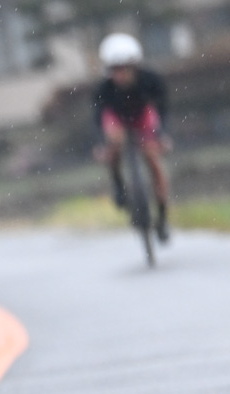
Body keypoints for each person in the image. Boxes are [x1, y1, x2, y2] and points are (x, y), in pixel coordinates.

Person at [93, 32, 170, 242]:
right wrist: (101, 144)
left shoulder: (150, 80)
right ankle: (118, 184)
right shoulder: (104, 89)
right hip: (117, 120)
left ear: (135, 67)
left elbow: (161, 109)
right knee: (113, 145)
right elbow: (98, 117)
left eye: (125, 68)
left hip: (142, 117)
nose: (120, 74)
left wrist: (162, 135)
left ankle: (162, 216)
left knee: (153, 160)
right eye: (115, 69)